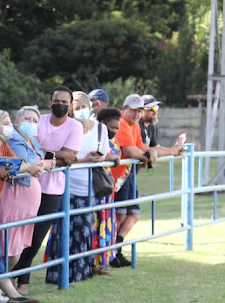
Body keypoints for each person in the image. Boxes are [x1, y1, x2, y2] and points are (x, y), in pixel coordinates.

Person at [11, 86, 83, 295]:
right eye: (56, 101)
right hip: (26, 185)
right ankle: (6, 281)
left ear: (70, 105)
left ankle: (20, 281)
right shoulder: (37, 120)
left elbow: (70, 158)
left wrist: (38, 151)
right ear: (50, 102)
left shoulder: (74, 126)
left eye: (64, 102)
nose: (59, 105)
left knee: (35, 238)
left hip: (52, 189)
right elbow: (22, 148)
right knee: (18, 233)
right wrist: (52, 155)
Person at [0, 109, 42, 303]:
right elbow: (2, 166)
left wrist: (21, 166)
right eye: (6, 122)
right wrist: (26, 167)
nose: (10, 127)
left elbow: (15, 163)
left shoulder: (2, 144)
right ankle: (10, 294)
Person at [44, 92, 114, 285]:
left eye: (84, 106)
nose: (81, 110)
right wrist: (84, 160)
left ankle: (80, 272)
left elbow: (106, 153)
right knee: (62, 230)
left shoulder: (100, 129)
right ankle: (58, 275)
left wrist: (101, 157)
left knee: (83, 230)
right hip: (65, 185)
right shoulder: (69, 127)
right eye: (77, 107)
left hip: (88, 187)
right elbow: (64, 156)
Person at [2, 106, 53, 269]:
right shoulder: (15, 139)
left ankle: (1, 285)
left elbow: (39, 164)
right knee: (8, 248)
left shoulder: (34, 141)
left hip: (28, 205)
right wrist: (43, 164)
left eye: (35, 121)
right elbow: (27, 163)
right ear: (17, 122)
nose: (31, 123)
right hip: (14, 200)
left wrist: (43, 164)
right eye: (27, 119)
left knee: (17, 249)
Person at [110, 94, 156, 268]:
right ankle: (112, 253)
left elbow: (140, 148)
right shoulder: (121, 124)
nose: (137, 114)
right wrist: (147, 155)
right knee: (120, 214)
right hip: (117, 177)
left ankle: (116, 249)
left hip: (127, 175)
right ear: (124, 109)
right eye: (133, 110)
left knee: (133, 214)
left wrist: (149, 152)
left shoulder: (135, 125)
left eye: (140, 110)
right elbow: (130, 151)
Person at [92, 107, 124, 274]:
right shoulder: (95, 136)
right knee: (95, 224)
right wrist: (113, 157)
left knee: (105, 224)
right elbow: (99, 156)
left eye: (117, 128)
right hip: (95, 188)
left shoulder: (113, 140)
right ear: (103, 124)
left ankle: (101, 262)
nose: (115, 131)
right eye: (112, 128)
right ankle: (92, 263)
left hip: (107, 190)